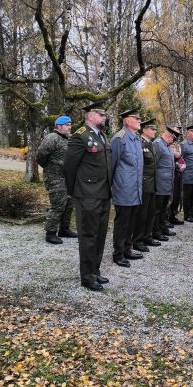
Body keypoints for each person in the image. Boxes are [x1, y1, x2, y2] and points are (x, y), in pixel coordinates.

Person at [64, 102, 112, 291]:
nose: (104, 117)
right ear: (91, 115)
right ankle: (87, 276)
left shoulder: (102, 136)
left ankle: (95, 271)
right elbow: (70, 166)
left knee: (100, 235)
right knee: (88, 235)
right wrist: (71, 191)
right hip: (87, 194)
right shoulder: (80, 136)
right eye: (101, 114)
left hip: (104, 193)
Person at [110, 108, 145, 267]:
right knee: (122, 222)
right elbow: (111, 165)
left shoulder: (136, 139)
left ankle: (127, 249)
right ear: (127, 121)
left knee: (132, 221)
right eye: (136, 119)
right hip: (123, 188)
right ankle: (118, 254)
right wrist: (110, 188)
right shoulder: (119, 138)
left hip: (135, 188)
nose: (139, 121)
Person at [37, 115, 77, 245]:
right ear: (59, 126)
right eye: (67, 125)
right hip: (54, 177)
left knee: (69, 204)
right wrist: (51, 167)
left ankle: (64, 229)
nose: (69, 127)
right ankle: (50, 233)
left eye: (70, 125)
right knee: (58, 205)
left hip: (67, 177)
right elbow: (40, 156)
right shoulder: (51, 138)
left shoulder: (68, 139)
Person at [133, 118, 160, 252]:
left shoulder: (150, 144)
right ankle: (138, 240)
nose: (154, 131)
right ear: (144, 130)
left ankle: (147, 236)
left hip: (152, 182)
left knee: (151, 212)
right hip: (144, 183)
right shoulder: (139, 143)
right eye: (152, 129)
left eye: (155, 129)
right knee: (142, 214)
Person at [152, 125, 180, 241]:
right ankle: (156, 231)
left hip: (167, 183)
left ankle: (163, 228)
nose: (173, 141)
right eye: (173, 138)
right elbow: (154, 164)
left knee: (164, 208)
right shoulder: (158, 144)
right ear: (168, 135)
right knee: (157, 209)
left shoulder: (166, 145)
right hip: (160, 183)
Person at [168, 141, 186, 225]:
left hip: (178, 175)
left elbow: (182, 164)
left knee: (177, 196)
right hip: (171, 175)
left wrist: (179, 159)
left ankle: (173, 216)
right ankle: (167, 217)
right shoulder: (168, 145)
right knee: (171, 197)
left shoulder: (177, 144)